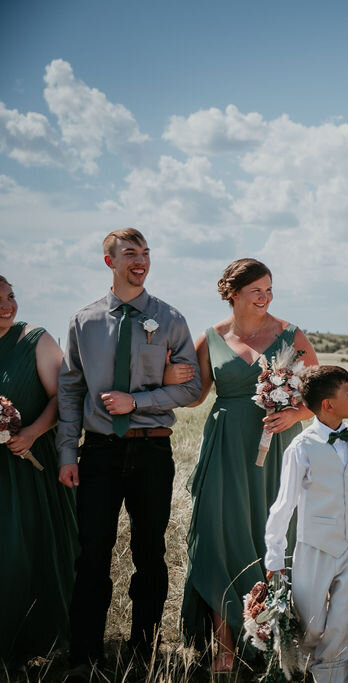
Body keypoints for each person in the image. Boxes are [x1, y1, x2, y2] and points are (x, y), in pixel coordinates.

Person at [57, 229, 202, 673]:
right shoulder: (85, 322)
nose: (140, 261)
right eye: (129, 254)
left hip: (152, 452)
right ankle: (85, 656)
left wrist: (139, 401)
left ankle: (144, 652)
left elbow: (193, 387)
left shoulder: (170, 319)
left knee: (151, 553)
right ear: (109, 262)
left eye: (145, 254)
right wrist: (67, 453)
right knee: (93, 554)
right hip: (98, 453)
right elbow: (69, 389)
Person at [179, 258, 317, 671]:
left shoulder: (291, 335)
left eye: (269, 289)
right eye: (256, 290)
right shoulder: (210, 338)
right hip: (224, 448)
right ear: (233, 293)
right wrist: (165, 373)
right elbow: (195, 396)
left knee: (275, 537)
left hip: (277, 449)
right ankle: (225, 647)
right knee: (219, 537)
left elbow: (319, 394)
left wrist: (295, 414)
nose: (265, 297)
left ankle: (275, 642)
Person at [264, 365, 348, 683]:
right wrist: (275, 557)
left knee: (342, 622)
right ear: (328, 404)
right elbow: (284, 505)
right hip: (315, 547)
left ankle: (332, 676)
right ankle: (302, 665)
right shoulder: (302, 447)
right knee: (310, 623)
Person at [0, 275, 78, 669]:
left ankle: (37, 641)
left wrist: (30, 431)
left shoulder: (36, 339)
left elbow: (63, 397)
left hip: (32, 466)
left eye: (10, 297)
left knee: (27, 551)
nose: (6, 307)